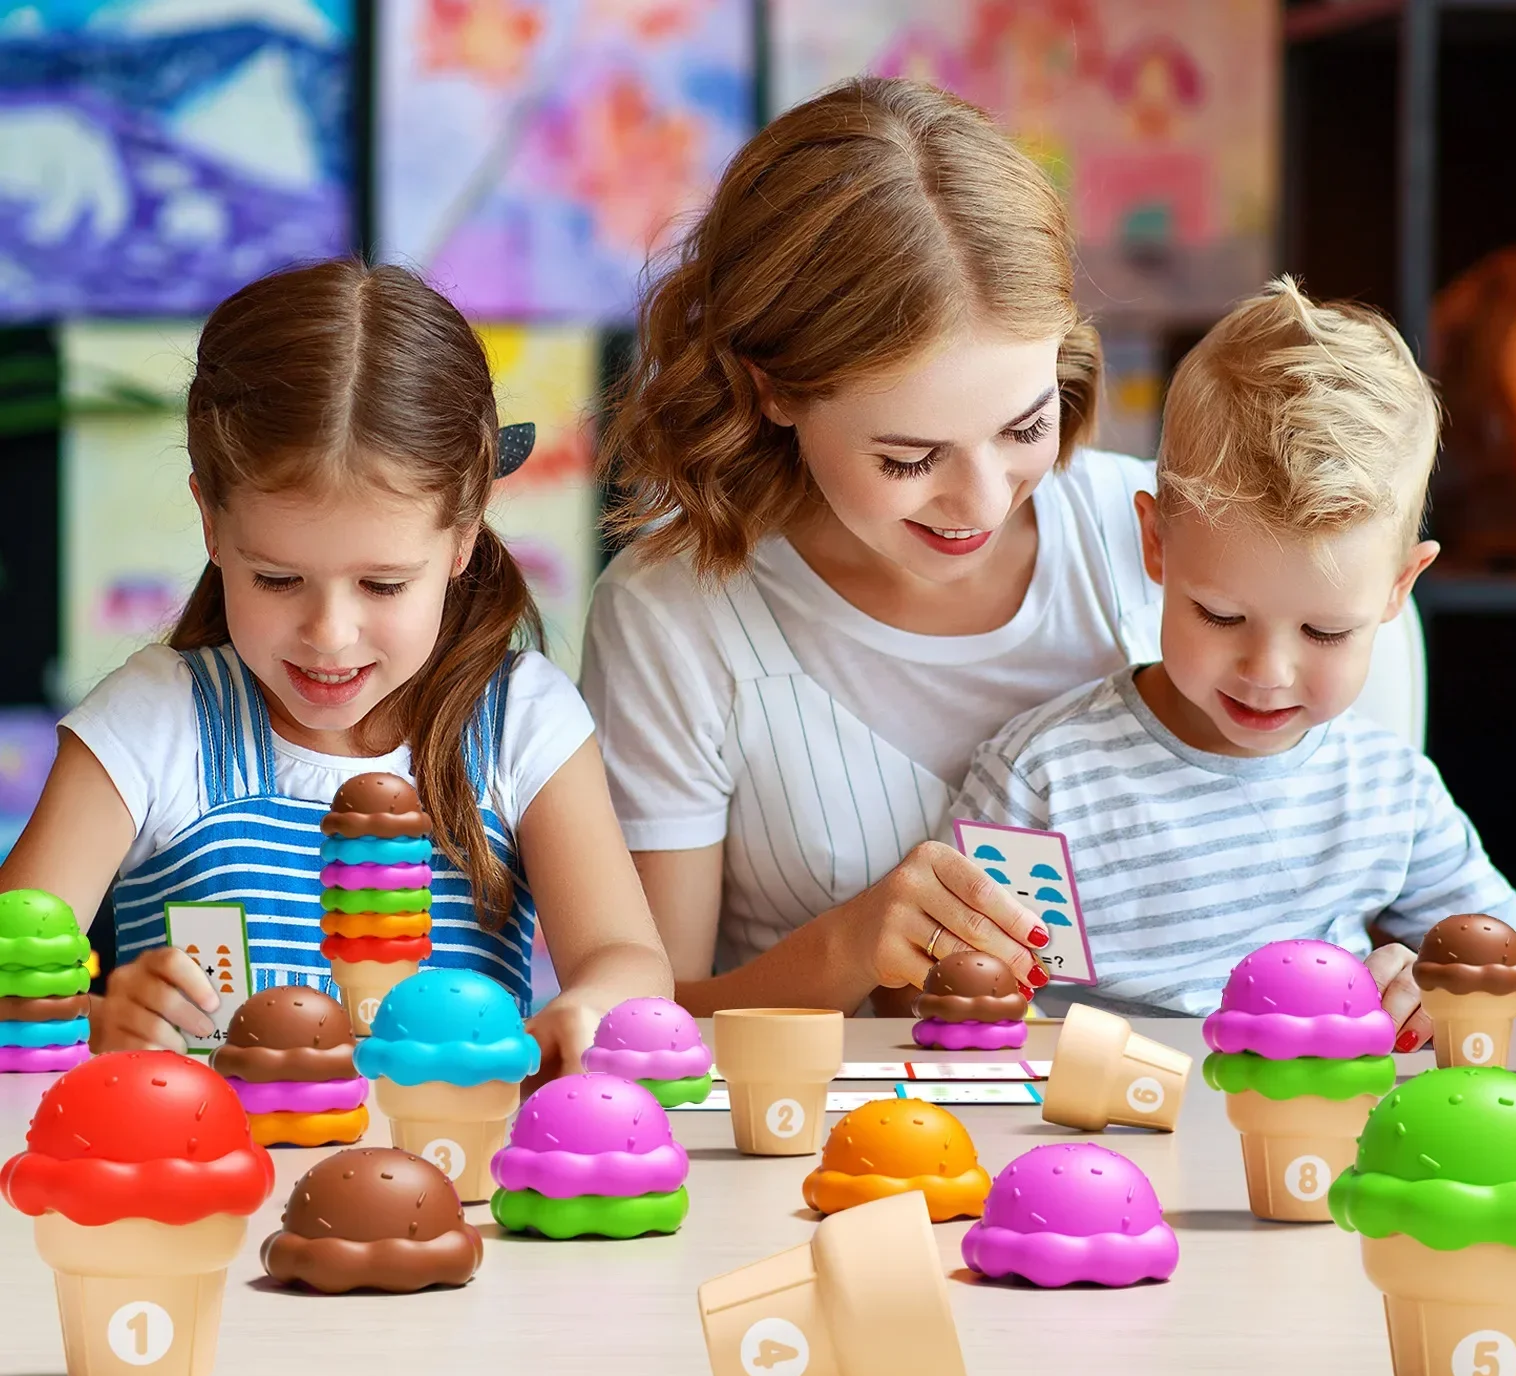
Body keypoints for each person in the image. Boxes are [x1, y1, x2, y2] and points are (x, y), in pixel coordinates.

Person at [582, 75, 1187, 1017]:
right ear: (774, 390)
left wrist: (1385, 961)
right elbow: (638, 1029)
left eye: (1025, 428)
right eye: (910, 457)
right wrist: (847, 950)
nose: (981, 502)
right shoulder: (676, 618)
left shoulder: (1157, 539)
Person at [1, 260, 670, 1072]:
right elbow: (15, 971)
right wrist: (96, 1019)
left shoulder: (521, 722)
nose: (328, 632)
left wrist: (593, 1007)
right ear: (211, 524)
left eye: (383, 584)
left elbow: (629, 962)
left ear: (462, 537)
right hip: (203, 1182)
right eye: (277, 579)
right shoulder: (151, 721)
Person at [952, 278, 1516, 1041]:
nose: (1268, 671)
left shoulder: (1390, 792)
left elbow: (1508, 960)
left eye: (1324, 632)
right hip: (1106, 1136)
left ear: (1397, 589)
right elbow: (961, 999)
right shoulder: (1043, 778)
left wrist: (1432, 979)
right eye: (1220, 615)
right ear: (1156, 545)